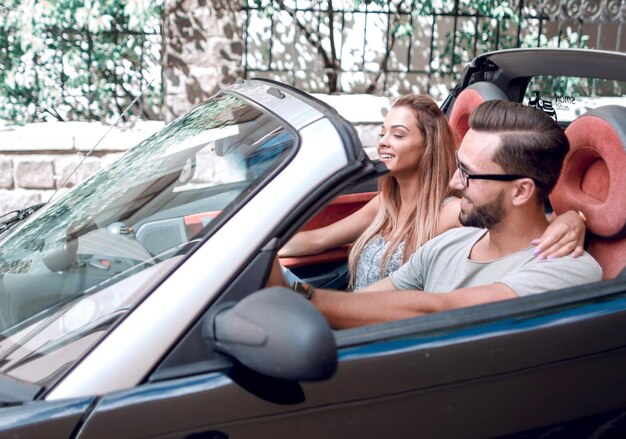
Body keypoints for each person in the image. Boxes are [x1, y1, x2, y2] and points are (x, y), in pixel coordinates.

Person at [300, 100, 602, 329]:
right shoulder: (449, 244)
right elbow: (360, 304)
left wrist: (301, 297)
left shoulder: (566, 269)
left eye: (468, 174)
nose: (455, 183)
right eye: (459, 167)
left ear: (521, 191)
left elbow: (438, 310)